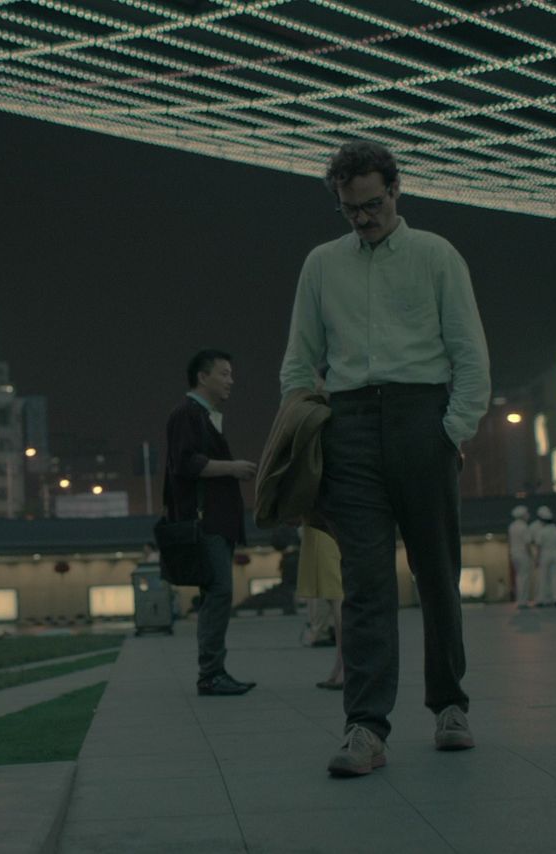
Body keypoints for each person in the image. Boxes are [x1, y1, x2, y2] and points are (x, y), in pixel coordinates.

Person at [280, 140, 491, 777]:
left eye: (372, 204)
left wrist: (450, 430)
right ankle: (365, 729)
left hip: (421, 419)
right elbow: (298, 360)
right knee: (365, 584)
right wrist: (311, 425)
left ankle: (450, 706)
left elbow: (471, 355)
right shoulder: (321, 265)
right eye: (351, 209)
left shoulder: (436, 255)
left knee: (437, 574)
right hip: (349, 428)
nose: (364, 218)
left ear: (396, 191)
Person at [166, 349, 259, 697]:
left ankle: (213, 671)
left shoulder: (203, 416)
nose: (231, 380)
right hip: (206, 522)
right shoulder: (187, 415)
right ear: (203, 377)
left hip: (216, 521)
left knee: (216, 593)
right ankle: (211, 674)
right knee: (219, 592)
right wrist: (232, 468)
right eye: (224, 373)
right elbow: (186, 464)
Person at [297, 525, 345, 690]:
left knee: (336, 594)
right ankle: (341, 664)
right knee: (334, 594)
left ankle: (344, 666)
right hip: (322, 524)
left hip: (324, 523)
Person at [530, 506, 556, 608]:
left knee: (543, 577)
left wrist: (536, 559)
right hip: (555, 554)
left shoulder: (542, 531)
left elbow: (538, 546)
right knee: (555, 578)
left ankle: (541, 599)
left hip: (545, 555)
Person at [507, 505, 534, 607]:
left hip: (514, 554)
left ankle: (519, 600)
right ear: (523, 515)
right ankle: (523, 601)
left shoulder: (512, 526)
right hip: (523, 555)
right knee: (525, 577)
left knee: (519, 578)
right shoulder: (524, 526)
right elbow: (527, 544)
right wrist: (531, 556)